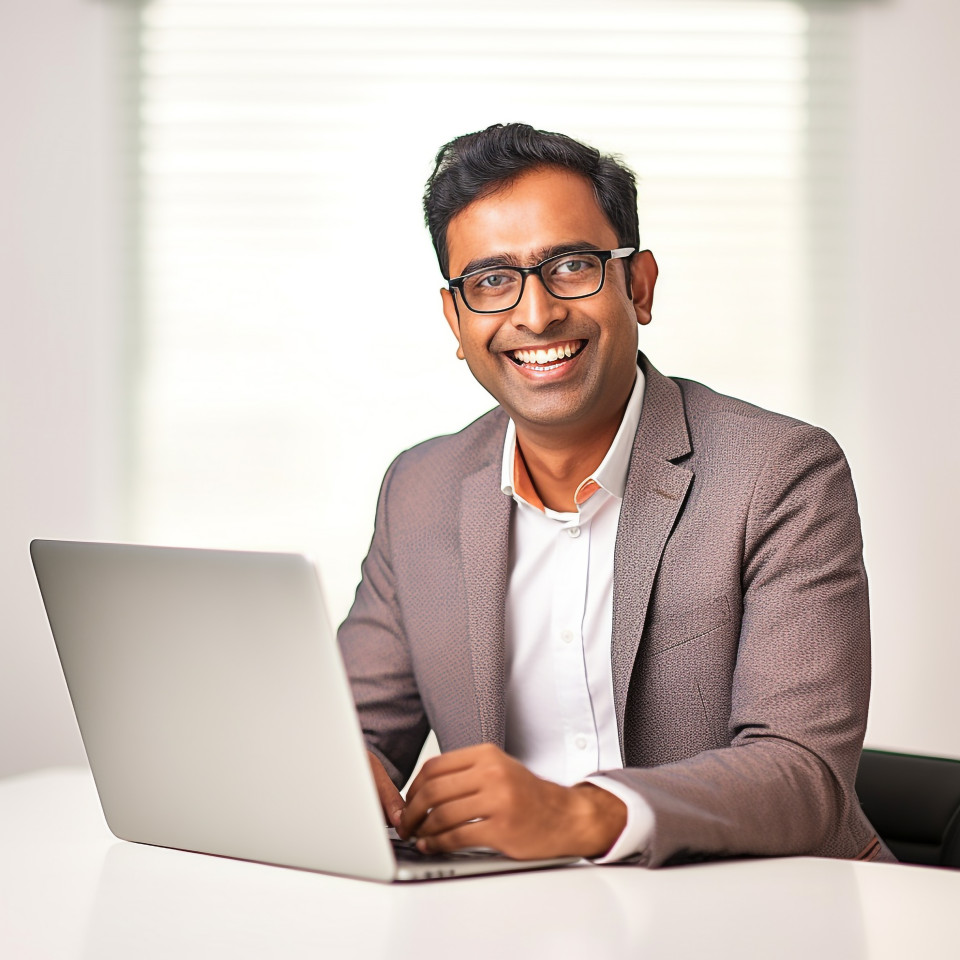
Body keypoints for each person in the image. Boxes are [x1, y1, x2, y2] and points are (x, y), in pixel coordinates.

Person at [337, 123, 893, 867]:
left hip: (766, 916)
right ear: (457, 321)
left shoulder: (781, 472)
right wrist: (334, 771)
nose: (535, 315)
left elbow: (803, 774)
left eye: (570, 266)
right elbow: (352, 735)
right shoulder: (420, 490)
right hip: (517, 917)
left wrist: (579, 815)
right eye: (491, 282)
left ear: (639, 285)